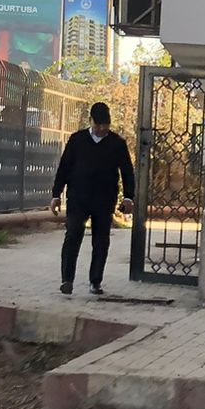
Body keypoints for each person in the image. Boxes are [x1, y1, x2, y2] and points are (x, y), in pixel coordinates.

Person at [50, 103, 136, 297]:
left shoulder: (117, 144)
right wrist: (56, 194)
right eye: (98, 125)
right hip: (78, 198)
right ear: (91, 121)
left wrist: (128, 197)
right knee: (73, 235)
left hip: (104, 200)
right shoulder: (77, 140)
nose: (102, 129)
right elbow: (64, 168)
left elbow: (127, 172)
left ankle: (95, 281)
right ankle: (67, 280)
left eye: (105, 126)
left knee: (101, 240)